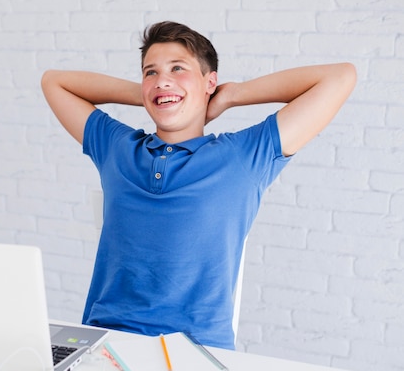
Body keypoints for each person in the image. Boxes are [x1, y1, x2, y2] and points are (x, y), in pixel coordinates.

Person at [41, 21, 356, 349]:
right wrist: (155, 92)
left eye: (178, 68)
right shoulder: (117, 147)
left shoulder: (243, 157)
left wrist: (231, 95)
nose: (162, 78)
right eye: (150, 71)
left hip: (196, 350)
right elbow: (54, 82)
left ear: (210, 82)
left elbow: (340, 77)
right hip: (105, 342)